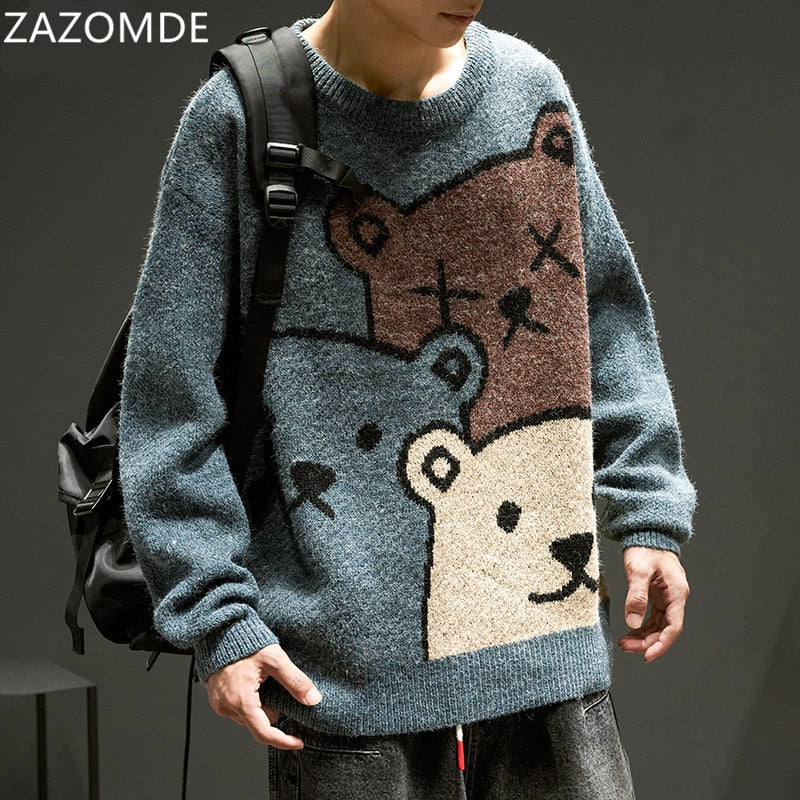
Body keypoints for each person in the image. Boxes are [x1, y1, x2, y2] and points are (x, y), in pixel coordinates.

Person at [118, 2, 696, 797]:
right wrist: (216, 615)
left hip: (549, 664)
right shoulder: (240, 122)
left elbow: (607, 320)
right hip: (346, 694)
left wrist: (648, 508)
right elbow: (169, 403)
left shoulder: (529, 91)